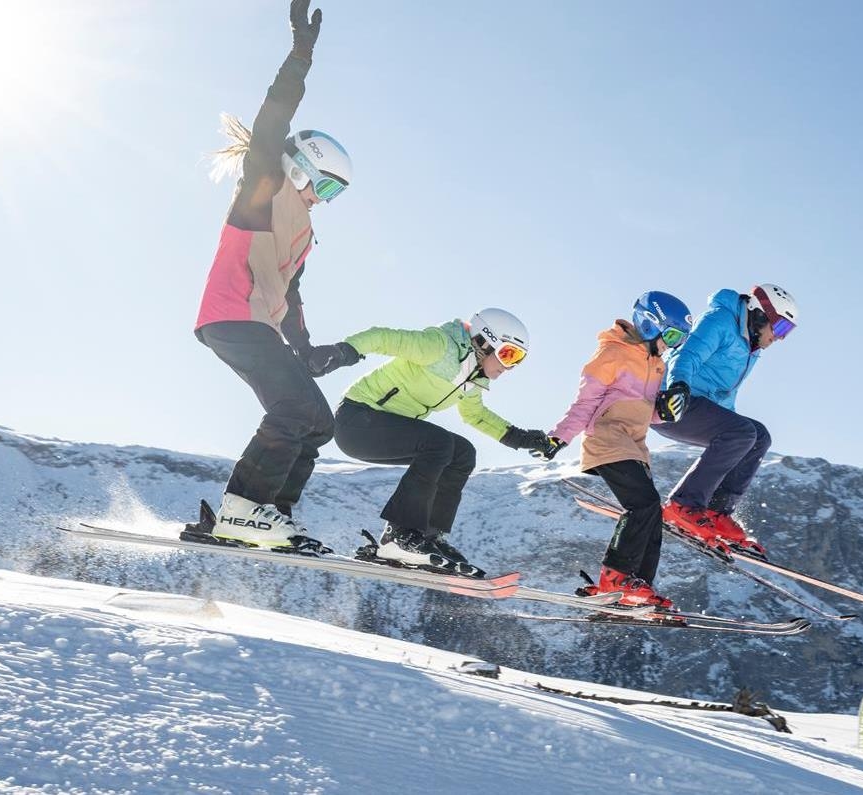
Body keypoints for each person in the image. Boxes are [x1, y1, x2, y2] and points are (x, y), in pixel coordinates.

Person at [192, 0, 362, 552]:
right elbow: (273, 120)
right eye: (327, 186)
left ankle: (270, 513)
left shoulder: (303, 229)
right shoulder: (263, 190)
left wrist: (306, 349)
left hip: (258, 325)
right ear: (301, 165)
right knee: (294, 409)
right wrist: (300, 54)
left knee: (317, 421)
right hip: (230, 317)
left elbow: (290, 294)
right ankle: (241, 508)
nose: (325, 199)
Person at [328, 308, 555, 577]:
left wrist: (523, 438)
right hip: (357, 420)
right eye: (508, 354)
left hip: (385, 429)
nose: (509, 366)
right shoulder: (440, 346)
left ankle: (427, 536)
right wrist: (345, 350)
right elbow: (383, 337)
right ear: (485, 340)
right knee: (438, 443)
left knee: (462, 453)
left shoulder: (473, 378)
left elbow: (475, 416)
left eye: (518, 359)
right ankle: (400, 535)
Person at [544, 292, 696, 609]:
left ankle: (638, 587)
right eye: (670, 335)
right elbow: (585, 404)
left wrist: (664, 411)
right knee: (643, 504)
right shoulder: (611, 354)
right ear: (649, 324)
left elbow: (645, 410)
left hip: (635, 446)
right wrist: (560, 436)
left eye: (679, 340)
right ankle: (615, 577)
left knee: (652, 514)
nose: (672, 345)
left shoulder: (656, 365)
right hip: (608, 439)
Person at [653, 283, 800, 560]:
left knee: (758, 436)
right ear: (761, 315)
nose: (780, 338)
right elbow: (688, 355)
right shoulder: (720, 319)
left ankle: (715, 512)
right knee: (743, 432)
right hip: (671, 402)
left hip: (700, 407)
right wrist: (678, 387)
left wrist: (732, 430)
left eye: (787, 333)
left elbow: (726, 396)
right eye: (780, 328)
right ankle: (683, 506)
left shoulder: (751, 348)